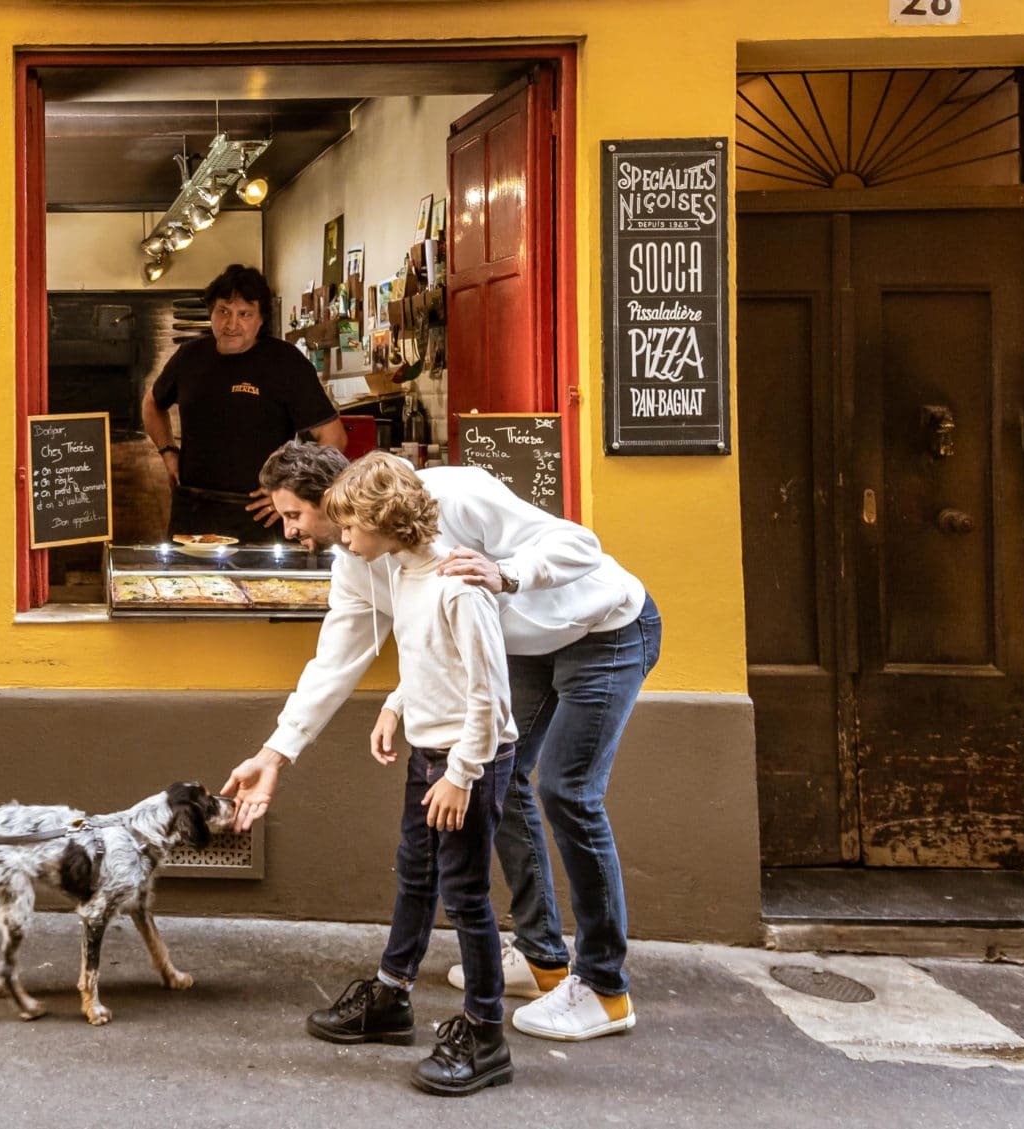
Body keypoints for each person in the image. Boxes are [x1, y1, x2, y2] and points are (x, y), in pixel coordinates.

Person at [222, 441, 661, 1043]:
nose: (290, 530)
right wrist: (276, 753)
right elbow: (341, 659)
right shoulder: (357, 559)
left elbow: (580, 545)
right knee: (502, 782)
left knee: (566, 791)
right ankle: (543, 958)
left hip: (604, 627)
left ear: (336, 500)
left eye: (294, 515)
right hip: (520, 648)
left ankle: (605, 986)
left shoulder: (453, 493)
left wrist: (508, 575)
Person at [300, 453, 519, 1095]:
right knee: (416, 873)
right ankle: (391, 996)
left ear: (383, 520)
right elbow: (429, 658)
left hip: (468, 761)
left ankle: (485, 1035)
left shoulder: (459, 586)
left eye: (350, 527)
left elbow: (490, 696)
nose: (343, 539)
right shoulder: (402, 574)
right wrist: (396, 706)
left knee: (466, 895)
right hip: (429, 753)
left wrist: (462, 774)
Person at [140, 264, 347, 541]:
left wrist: (291, 492)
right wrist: (167, 452)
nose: (231, 324)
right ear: (211, 312)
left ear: (261, 319)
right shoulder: (189, 357)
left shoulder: (286, 363)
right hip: (192, 512)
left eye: (244, 314)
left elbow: (334, 437)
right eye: (223, 311)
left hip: (259, 520)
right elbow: (152, 404)